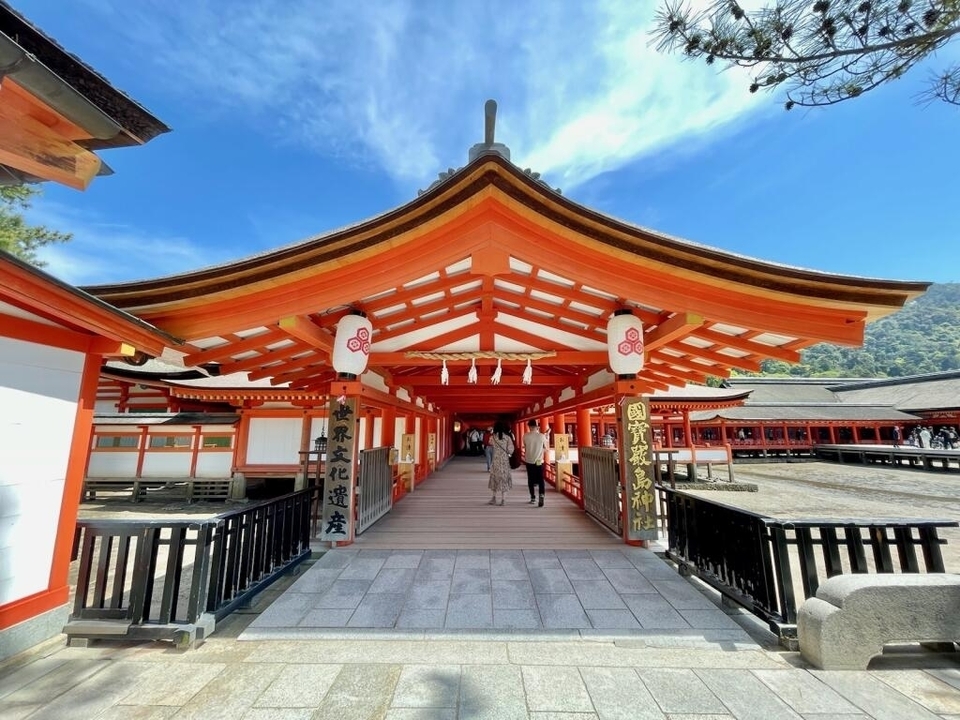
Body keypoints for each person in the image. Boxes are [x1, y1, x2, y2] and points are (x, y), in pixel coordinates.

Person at [523, 419, 550, 507]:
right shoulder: (542, 436)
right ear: (536, 426)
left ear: (529, 427)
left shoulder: (525, 436)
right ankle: (541, 495)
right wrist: (541, 449)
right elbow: (546, 450)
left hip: (529, 460)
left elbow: (525, 447)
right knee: (540, 479)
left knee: (530, 479)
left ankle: (532, 497)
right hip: (539, 461)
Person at [487, 419, 514, 505]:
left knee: (495, 478)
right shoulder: (507, 438)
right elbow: (511, 450)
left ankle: (494, 498)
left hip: (496, 460)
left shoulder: (492, 437)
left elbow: (490, 443)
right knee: (504, 479)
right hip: (504, 461)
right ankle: (503, 500)